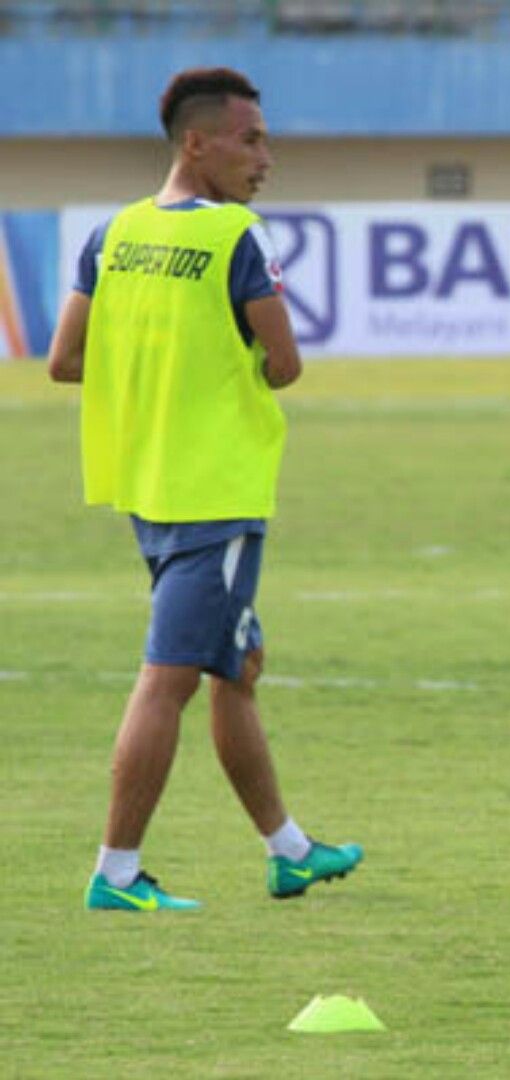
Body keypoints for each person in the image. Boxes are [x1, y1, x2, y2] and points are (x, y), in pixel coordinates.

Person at [45, 67, 363, 913]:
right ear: (198, 142)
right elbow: (286, 364)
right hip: (215, 491)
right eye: (250, 138)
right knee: (170, 680)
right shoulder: (238, 237)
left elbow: (65, 360)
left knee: (239, 666)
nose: (267, 155)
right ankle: (116, 873)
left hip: (145, 486)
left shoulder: (114, 235)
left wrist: (158, 373)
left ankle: (289, 850)